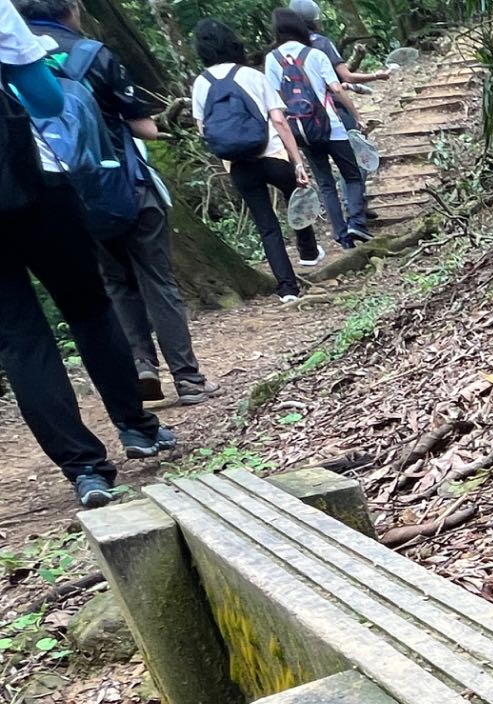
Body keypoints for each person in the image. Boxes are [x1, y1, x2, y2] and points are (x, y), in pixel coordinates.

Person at [0, 0, 172, 508]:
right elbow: (45, 99)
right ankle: (136, 427)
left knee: (19, 338)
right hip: (31, 185)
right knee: (89, 307)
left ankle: (85, 470)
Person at [15, 0, 217, 407]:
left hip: (71, 195)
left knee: (116, 283)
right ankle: (188, 378)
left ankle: (142, 368)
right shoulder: (92, 53)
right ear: (70, 9)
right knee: (157, 280)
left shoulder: (16, 62)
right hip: (126, 183)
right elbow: (142, 126)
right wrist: (161, 129)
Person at [190, 18, 319, 303]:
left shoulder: (200, 83)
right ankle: (308, 250)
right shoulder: (252, 75)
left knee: (266, 225)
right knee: (295, 194)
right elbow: (279, 120)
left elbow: (203, 128)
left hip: (238, 164)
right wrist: (297, 161)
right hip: (272, 155)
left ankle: (287, 288)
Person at [265, 7, 370, 250]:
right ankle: (356, 222)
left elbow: (276, 101)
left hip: (302, 130)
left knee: (325, 183)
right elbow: (337, 88)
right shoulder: (315, 54)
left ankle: (342, 237)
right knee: (352, 175)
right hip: (331, 125)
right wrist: (356, 115)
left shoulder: (272, 59)